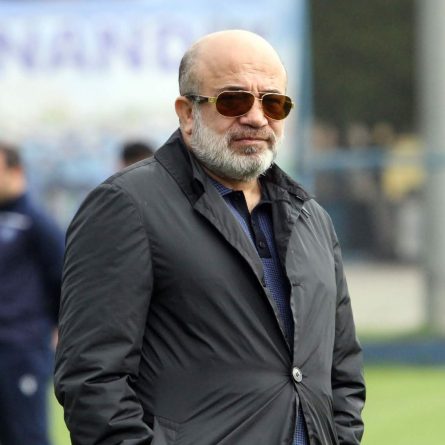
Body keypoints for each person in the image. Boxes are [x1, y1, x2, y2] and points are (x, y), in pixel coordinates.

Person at [55, 30, 365, 445]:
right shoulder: (127, 206)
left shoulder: (312, 219)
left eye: (273, 103)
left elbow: (342, 371)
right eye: (234, 100)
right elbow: (92, 379)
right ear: (187, 113)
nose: (256, 117)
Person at [0, 143, 65, 445]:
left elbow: (63, 279)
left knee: (26, 436)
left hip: (22, 348)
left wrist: (58, 329)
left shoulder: (36, 223)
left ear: (16, 172)